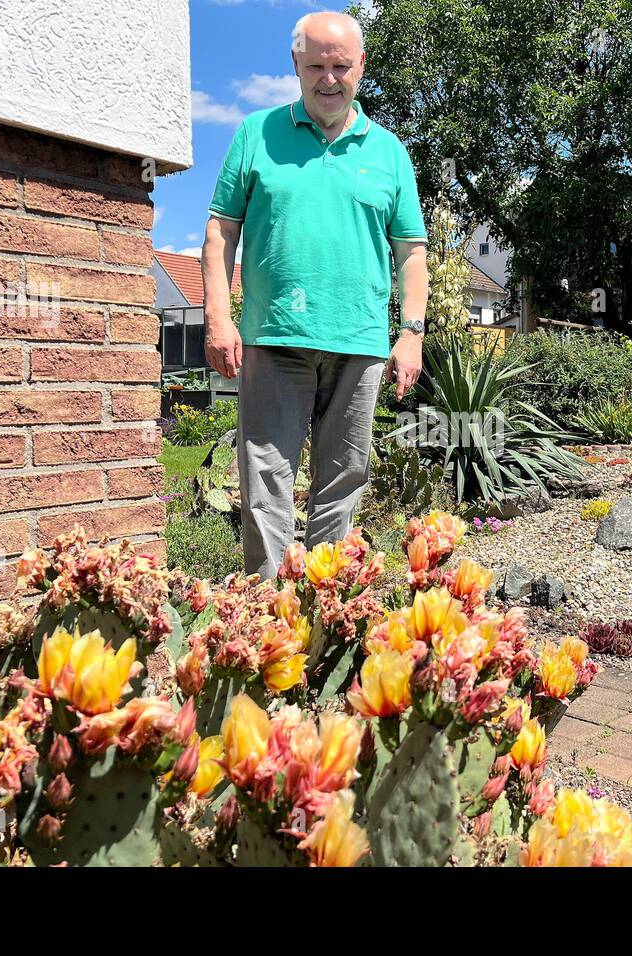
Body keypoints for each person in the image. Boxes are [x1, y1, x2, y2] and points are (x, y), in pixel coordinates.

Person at [201, 10, 429, 579]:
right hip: (275, 335)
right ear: (295, 65)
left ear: (361, 67)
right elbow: (221, 231)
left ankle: (321, 607)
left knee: (344, 476)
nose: (329, 78)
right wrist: (217, 318)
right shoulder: (257, 133)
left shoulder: (388, 152)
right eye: (316, 66)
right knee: (265, 480)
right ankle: (269, 612)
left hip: (359, 342)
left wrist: (411, 333)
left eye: (341, 66)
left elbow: (412, 252)